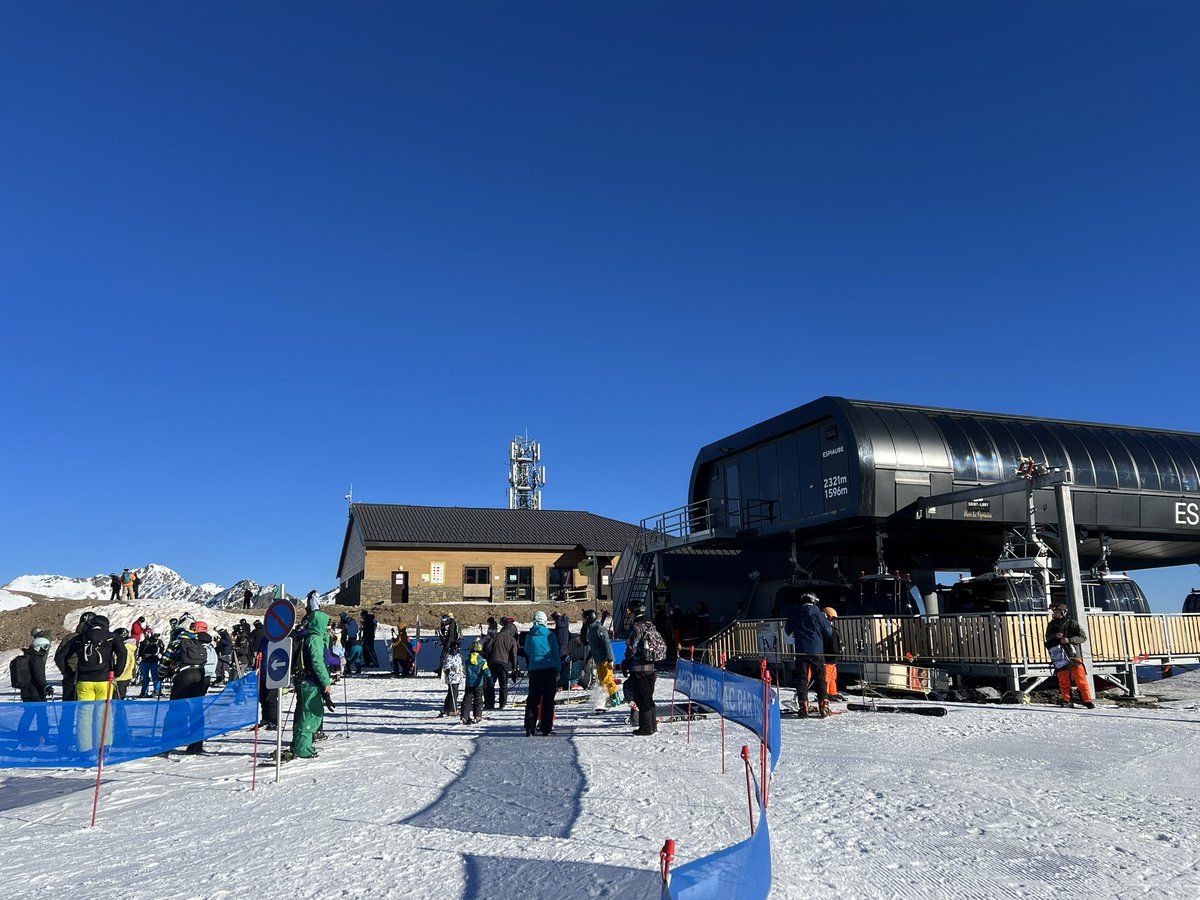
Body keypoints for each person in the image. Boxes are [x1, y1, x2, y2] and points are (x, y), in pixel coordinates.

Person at [62, 615, 127, 752]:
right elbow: (122, 652)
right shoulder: (111, 637)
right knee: (103, 714)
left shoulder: (81, 637)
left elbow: (60, 656)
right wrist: (117, 672)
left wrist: (69, 672)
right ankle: (104, 747)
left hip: (84, 682)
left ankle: (85, 749)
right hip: (105, 681)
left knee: (84, 715)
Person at [161, 621, 215, 755]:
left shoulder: (178, 641)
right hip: (200, 675)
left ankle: (167, 744)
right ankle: (196, 745)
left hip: (183, 676)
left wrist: (161, 674)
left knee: (176, 709)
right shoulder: (203, 642)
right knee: (196, 710)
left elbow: (165, 659)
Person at [287, 608, 334, 760]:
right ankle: (303, 748)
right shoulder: (315, 638)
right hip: (311, 681)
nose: (327, 627)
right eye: (325, 623)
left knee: (304, 712)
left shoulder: (308, 636)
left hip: (304, 679)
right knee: (311, 714)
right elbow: (317, 661)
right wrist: (326, 682)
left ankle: (299, 743)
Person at [784, 593, 833, 718]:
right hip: (816, 650)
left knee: (802, 679)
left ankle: (803, 706)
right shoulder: (817, 613)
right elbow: (828, 631)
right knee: (820, 678)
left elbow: (788, 631)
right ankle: (823, 706)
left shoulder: (794, 613)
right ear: (814, 601)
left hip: (801, 650)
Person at [622, 602, 664, 735]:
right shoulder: (650, 625)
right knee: (648, 697)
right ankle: (652, 725)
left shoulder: (637, 626)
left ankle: (646, 728)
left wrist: (626, 661)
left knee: (641, 698)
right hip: (651, 667)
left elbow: (631, 646)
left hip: (638, 667)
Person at [1045, 602, 1095, 708]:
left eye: (1057, 611)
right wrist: (1055, 636)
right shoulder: (1051, 624)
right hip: (1058, 655)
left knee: (1080, 678)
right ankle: (1066, 700)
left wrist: (1069, 640)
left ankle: (1087, 700)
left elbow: (1083, 637)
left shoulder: (1072, 623)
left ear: (1063, 612)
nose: (1055, 613)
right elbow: (1048, 638)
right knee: (1063, 679)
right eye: (1054, 612)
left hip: (1073, 654)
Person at [523, 611, 562, 737]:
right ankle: (546, 728)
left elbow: (527, 651)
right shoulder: (550, 635)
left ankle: (530, 728)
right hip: (549, 669)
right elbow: (556, 653)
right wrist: (558, 669)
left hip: (535, 669)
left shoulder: (530, 635)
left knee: (533, 699)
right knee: (548, 700)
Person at [13, 636, 51, 746]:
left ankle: (22, 734)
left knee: (28, 713)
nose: (46, 650)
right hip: (36, 692)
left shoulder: (27, 656)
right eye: (45, 647)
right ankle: (43, 736)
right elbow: (38, 675)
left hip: (25, 691)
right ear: (39, 647)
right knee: (42, 714)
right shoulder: (37, 658)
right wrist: (46, 686)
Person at [583, 608, 621, 709]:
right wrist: (588, 657)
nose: (583, 620)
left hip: (605, 658)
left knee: (607, 679)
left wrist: (610, 659)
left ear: (589, 618)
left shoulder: (599, 628)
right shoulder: (590, 629)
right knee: (601, 681)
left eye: (584, 618)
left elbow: (607, 643)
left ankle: (615, 697)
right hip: (598, 659)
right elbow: (593, 646)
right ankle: (607, 698)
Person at [55, 611, 95, 702]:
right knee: (87, 708)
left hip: (71, 676)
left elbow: (59, 656)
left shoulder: (69, 637)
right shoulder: (93, 638)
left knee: (69, 709)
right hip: (87, 678)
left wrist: (66, 672)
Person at [484, 617, 519, 710]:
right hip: (504, 663)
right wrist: (515, 668)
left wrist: (488, 658)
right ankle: (502, 703)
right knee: (503, 684)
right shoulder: (512, 640)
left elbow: (487, 648)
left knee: (490, 683)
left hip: (493, 662)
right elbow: (514, 655)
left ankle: (489, 703)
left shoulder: (496, 635)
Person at [461, 640, 492, 725]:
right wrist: (489, 678)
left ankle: (464, 716)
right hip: (478, 684)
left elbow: (464, 671)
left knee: (467, 699)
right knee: (478, 699)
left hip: (469, 683)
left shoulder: (467, 660)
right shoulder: (482, 661)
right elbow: (486, 670)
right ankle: (477, 715)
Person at [821, 607, 844, 701]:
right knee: (826, 676)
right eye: (831, 618)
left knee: (833, 676)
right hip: (828, 656)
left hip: (833, 656)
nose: (832, 621)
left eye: (834, 619)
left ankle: (833, 692)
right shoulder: (826, 630)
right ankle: (825, 693)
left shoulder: (832, 629)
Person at [138, 628, 164, 697]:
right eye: (155, 635)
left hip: (154, 661)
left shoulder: (159, 642)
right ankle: (144, 692)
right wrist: (140, 657)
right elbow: (141, 651)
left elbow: (162, 650)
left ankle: (157, 691)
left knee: (155, 677)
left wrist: (160, 654)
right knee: (145, 677)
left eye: (158, 635)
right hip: (145, 661)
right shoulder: (145, 642)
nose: (157, 637)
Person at [440, 641, 464, 718]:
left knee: (452, 692)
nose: (456, 649)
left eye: (457, 648)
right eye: (455, 648)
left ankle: (447, 708)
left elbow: (460, 665)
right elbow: (446, 666)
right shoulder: (449, 657)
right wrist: (449, 669)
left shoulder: (458, 656)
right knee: (454, 693)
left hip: (457, 677)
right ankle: (452, 709)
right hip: (452, 678)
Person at [113, 627, 136, 699]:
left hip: (121, 677)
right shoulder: (127, 646)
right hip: (123, 676)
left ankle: (118, 710)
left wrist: (117, 673)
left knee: (117, 699)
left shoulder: (126, 647)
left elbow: (124, 662)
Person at [552, 611, 572, 691]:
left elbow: (560, 625)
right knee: (560, 662)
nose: (555, 622)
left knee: (561, 663)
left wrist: (558, 617)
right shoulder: (563, 624)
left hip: (562, 645)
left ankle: (562, 682)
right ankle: (560, 681)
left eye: (555, 619)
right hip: (561, 644)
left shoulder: (563, 622)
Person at [436, 613, 459, 677]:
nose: (442, 622)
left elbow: (451, 635)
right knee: (442, 657)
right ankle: (441, 669)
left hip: (452, 643)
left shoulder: (451, 624)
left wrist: (448, 644)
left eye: (443, 621)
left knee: (449, 657)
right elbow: (443, 634)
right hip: (446, 643)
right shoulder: (443, 624)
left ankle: (448, 670)